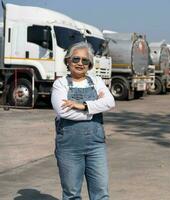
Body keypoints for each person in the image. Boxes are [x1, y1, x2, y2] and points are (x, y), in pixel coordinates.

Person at [51, 42, 115, 200]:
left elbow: (110, 102)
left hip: (96, 146)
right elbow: (63, 111)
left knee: (101, 193)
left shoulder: (97, 81)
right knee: (72, 194)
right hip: (69, 148)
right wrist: (94, 110)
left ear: (90, 64)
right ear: (68, 61)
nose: (80, 63)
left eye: (85, 60)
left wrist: (82, 106)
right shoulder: (60, 84)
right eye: (76, 59)